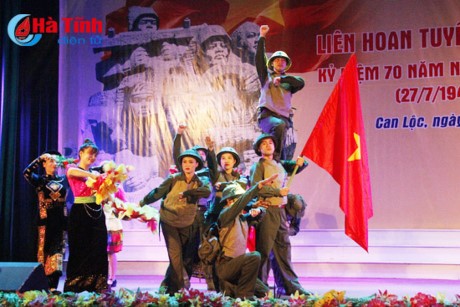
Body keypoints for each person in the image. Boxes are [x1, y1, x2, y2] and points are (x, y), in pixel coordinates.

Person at [139, 149, 211, 295]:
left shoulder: (200, 182)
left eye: (191, 162)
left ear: (197, 164)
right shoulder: (173, 179)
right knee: (175, 255)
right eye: (185, 162)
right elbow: (158, 192)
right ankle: (182, 289)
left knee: (186, 259)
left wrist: (187, 193)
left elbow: (206, 192)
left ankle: (168, 288)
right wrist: (143, 202)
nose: (187, 165)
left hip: (187, 222)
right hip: (169, 221)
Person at [250, 133, 310, 296]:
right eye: (264, 144)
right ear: (259, 148)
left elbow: (298, 166)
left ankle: (290, 286)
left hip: (280, 211)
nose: (268, 145)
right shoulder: (259, 166)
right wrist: (277, 191)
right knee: (264, 250)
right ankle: (260, 288)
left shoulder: (280, 164)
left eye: (271, 143)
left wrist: (302, 162)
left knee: (283, 249)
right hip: (266, 211)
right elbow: (256, 187)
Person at [215, 175, 277, 299]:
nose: (243, 204)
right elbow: (241, 202)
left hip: (239, 266)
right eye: (239, 200)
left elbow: (260, 214)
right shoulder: (225, 215)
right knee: (254, 256)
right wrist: (257, 187)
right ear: (229, 201)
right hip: (226, 266)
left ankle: (237, 291)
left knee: (264, 291)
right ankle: (244, 298)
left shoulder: (242, 218)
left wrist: (259, 210)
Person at [63, 139, 108, 293]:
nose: (92, 157)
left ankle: (97, 283)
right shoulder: (73, 168)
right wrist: (94, 176)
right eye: (90, 153)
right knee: (79, 247)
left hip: (96, 210)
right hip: (80, 212)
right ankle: (77, 284)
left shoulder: (97, 173)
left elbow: (104, 194)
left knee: (99, 247)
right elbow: (72, 173)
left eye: (95, 155)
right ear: (81, 153)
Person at [256, 25, 305, 160]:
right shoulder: (266, 77)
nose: (280, 62)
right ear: (272, 64)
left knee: (287, 144)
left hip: (284, 120)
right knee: (279, 126)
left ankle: (282, 163)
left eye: (283, 60)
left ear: (286, 64)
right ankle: (275, 158)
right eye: (277, 59)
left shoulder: (289, 82)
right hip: (267, 118)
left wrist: (283, 78)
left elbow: (301, 82)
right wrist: (262, 37)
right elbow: (259, 60)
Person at [23, 151, 68, 293]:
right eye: (50, 161)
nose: (53, 163)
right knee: (43, 253)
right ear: (44, 164)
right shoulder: (39, 180)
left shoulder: (63, 180)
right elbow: (26, 173)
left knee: (58, 253)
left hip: (60, 221)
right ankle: (42, 285)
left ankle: (54, 286)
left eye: (55, 161)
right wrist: (39, 158)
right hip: (44, 222)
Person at [206, 146, 248, 224]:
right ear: (220, 161)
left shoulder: (239, 177)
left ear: (234, 161)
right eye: (223, 158)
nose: (226, 161)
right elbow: (212, 165)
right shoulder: (216, 175)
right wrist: (211, 151)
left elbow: (241, 185)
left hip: (233, 215)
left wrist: (223, 185)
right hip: (216, 215)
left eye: (229, 158)